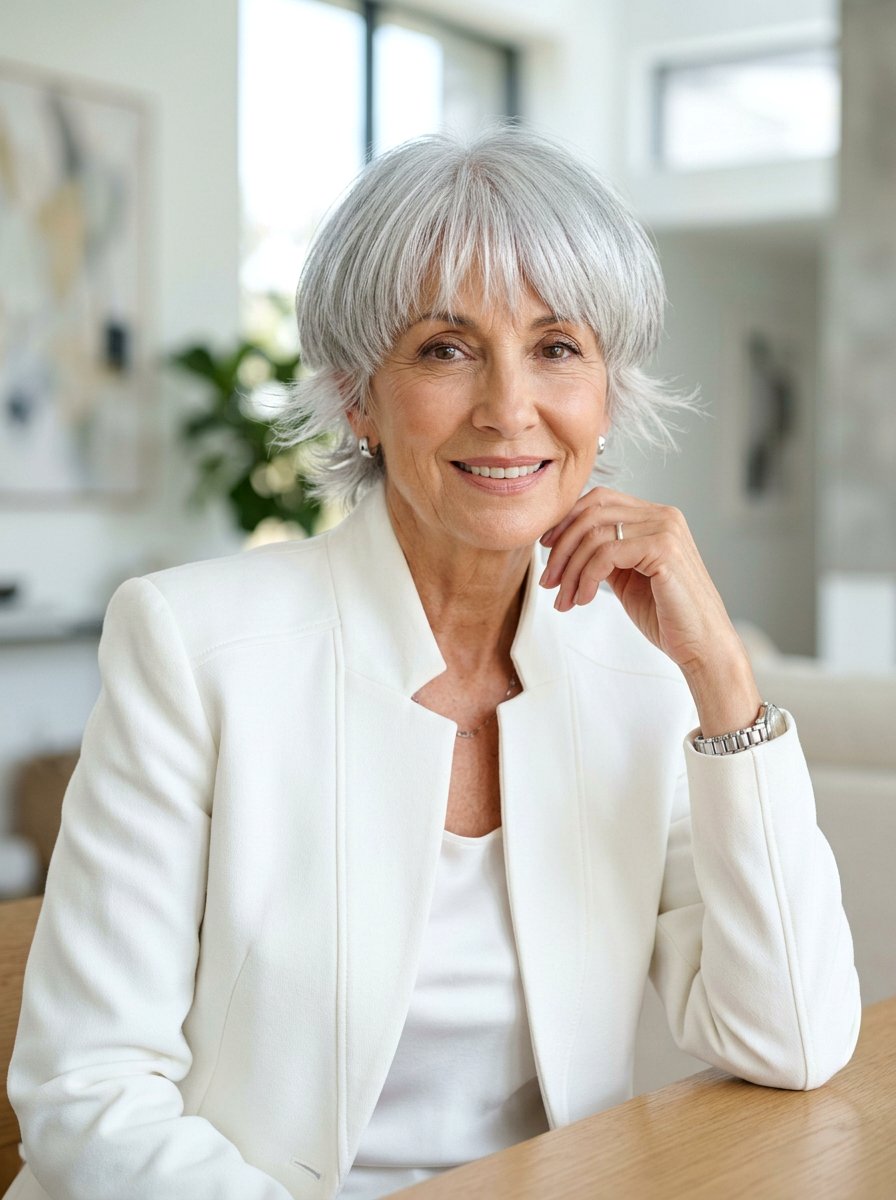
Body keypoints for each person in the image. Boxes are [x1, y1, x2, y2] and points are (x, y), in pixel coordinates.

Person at [5, 126, 860, 1200]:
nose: (508, 409)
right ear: (356, 395)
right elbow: (88, 1093)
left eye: (557, 347)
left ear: (606, 394)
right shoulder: (191, 644)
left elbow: (789, 1037)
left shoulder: (639, 672)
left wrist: (721, 676)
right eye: (446, 349)